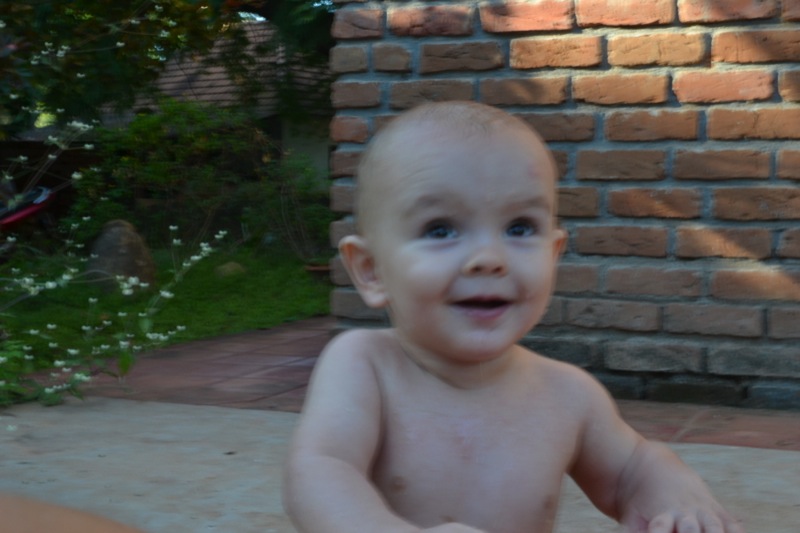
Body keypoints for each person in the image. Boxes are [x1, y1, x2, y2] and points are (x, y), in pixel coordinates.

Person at [283, 101, 744, 533]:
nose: (489, 258)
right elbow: (321, 469)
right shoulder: (365, 365)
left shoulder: (568, 394)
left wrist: (672, 490)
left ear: (554, 253)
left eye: (520, 227)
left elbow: (631, 470)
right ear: (371, 270)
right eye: (440, 229)